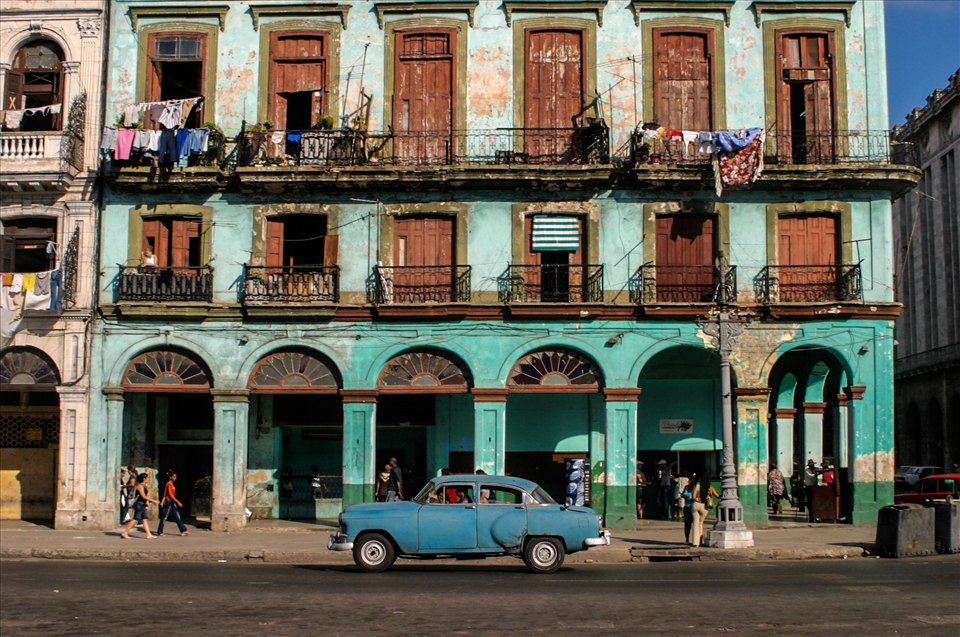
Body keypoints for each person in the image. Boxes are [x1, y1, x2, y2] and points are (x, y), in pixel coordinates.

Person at [121, 473, 160, 539]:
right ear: (144, 479)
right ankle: (125, 532)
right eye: (147, 478)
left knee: (145, 519)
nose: (148, 479)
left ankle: (148, 534)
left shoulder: (143, 485)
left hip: (143, 504)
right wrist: (154, 501)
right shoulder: (140, 486)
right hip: (139, 504)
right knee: (135, 519)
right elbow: (143, 496)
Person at [689, 472, 720, 548]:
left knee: (695, 523)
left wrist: (698, 500)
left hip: (696, 505)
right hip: (704, 506)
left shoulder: (698, 486)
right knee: (701, 524)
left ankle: (695, 543)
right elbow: (717, 496)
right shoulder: (710, 488)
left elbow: (693, 497)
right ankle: (700, 541)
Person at [157, 470, 189, 537]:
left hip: (172, 502)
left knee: (177, 516)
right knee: (164, 517)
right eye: (174, 476)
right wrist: (178, 502)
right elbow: (170, 495)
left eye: (175, 476)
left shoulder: (172, 484)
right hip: (168, 501)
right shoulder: (168, 484)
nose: (175, 477)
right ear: (170, 477)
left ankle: (183, 530)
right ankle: (160, 531)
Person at [681, 474, 696, 542]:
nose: (689, 482)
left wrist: (692, 498)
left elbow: (695, 497)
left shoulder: (695, 488)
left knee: (694, 523)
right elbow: (682, 494)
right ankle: (687, 539)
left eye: (690, 480)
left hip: (693, 507)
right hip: (687, 506)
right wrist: (685, 497)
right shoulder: (686, 487)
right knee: (687, 523)